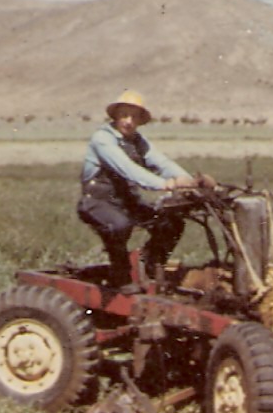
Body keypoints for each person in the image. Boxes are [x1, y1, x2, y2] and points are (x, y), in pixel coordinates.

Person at [78, 90, 211, 288]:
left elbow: (162, 163)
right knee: (120, 226)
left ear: (140, 120)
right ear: (114, 116)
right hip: (98, 202)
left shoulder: (138, 142)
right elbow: (128, 169)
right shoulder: (103, 139)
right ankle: (120, 276)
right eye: (124, 115)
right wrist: (164, 184)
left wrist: (189, 181)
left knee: (171, 224)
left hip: (127, 202)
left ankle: (148, 266)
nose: (128, 121)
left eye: (134, 116)